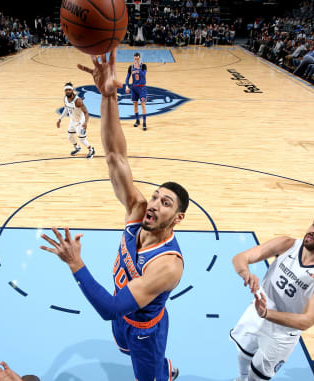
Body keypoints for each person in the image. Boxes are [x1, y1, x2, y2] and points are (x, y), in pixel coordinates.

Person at [41, 51, 188, 381]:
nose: (153, 204)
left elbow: (108, 309)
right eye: (155, 196)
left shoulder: (167, 265)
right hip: (124, 313)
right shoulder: (137, 212)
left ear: (177, 218)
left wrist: (76, 263)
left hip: (144, 329)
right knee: (122, 346)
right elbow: (115, 157)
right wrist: (107, 96)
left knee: (147, 376)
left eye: (166, 203)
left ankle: (165, 369)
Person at [230, 215, 314, 381]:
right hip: (257, 312)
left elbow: (307, 321)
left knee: (258, 375)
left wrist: (266, 313)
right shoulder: (288, 244)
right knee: (243, 354)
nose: (313, 231)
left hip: (282, 331)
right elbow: (240, 258)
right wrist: (245, 273)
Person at [56, 82, 95, 158]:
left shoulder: (78, 101)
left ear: (72, 90)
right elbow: (66, 109)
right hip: (72, 121)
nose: (68, 91)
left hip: (80, 122)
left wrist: (85, 123)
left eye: (69, 90)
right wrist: (60, 119)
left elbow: (86, 112)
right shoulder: (65, 98)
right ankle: (77, 147)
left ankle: (91, 150)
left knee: (82, 139)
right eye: (66, 90)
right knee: (70, 137)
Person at [124, 52, 149, 131]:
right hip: (134, 88)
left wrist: (138, 68)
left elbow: (143, 75)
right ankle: (137, 120)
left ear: (140, 58)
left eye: (138, 59)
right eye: (135, 59)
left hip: (142, 88)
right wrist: (127, 86)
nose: (136, 60)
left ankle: (144, 123)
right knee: (135, 105)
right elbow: (127, 78)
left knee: (143, 105)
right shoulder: (130, 67)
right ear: (133, 58)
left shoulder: (143, 66)